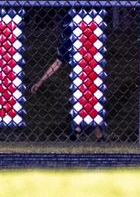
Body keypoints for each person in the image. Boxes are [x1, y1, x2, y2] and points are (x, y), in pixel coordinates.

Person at [29, 12, 104, 141]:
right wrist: (41, 81)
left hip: (90, 75)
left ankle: (92, 133)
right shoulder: (67, 42)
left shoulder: (89, 38)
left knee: (88, 105)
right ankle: (80, 130)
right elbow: (58, 62)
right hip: (78, 77)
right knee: (80, 102)